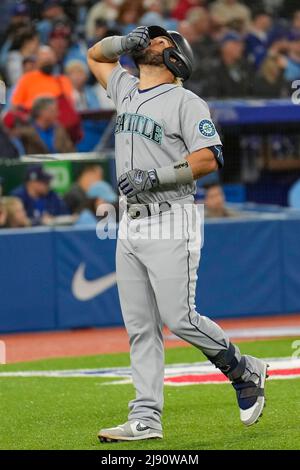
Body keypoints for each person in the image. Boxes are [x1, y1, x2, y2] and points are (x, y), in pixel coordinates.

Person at [88, 25, 268, 442]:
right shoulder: (126, 88)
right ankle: (145, 418)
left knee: (179, 318)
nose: (150, 42)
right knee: (140, 328)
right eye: (147, 39)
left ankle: (244, 369)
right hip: (128, 221)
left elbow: (210, 158)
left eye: (160, 41)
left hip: (171, 217)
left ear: (176, 58)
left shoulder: (186, 101)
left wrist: (155, 176)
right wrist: (122, 43)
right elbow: (96, 56)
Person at [10, 46, 74, 111]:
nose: (46, 59)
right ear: (37, 62)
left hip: (57, 117)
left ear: (55, 60)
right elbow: (15, 105)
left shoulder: (63, 80)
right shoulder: (27, 78)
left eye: (49, 58)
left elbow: (70, 104)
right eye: (43, 58)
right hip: (32, 117)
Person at [203, 33, 254, 98]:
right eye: (236, 44)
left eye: (241, 45)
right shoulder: (211, 67)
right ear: (224, 47)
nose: (241, 48)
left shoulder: (245, 66)